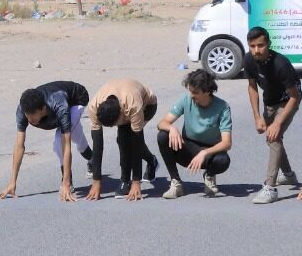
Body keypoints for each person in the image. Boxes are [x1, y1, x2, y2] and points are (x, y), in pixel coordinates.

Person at [0, 80, 93, 202]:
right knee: (76, 134)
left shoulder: (59, 104)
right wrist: (12, 182)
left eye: (33, 115)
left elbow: (66, 145)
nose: (30, 119)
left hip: (77, 100)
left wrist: (66, 182)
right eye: (27, 116)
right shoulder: (22, 109)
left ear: (42, 109)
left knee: (59, 142)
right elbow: (19, 146)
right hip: (58, 109)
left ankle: (67, 181)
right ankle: (92, 158)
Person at [243, 26, 301, 204]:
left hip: (288, 100)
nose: (256, 50)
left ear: (268, 43)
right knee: (273, 138)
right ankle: (289, 175)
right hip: (270, 102)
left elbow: (295, 96)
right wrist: (257, 117)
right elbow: (252, 87)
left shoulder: (280, 64)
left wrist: (277, 123)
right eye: (252, 46)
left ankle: (270, 188)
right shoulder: (249, 59)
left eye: (260, 45)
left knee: (273, 138)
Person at [156, 69, 232, 198]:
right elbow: (162, 123)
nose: (191, 95)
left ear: (207, 91)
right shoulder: (186, 100)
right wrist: (172, 128)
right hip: (187, 148)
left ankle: (209, 175)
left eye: (195, 92)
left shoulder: (223, 107)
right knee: (163, 135)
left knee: (223, 161)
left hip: (209, 153)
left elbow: (227, 143)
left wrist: (204, 152)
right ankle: (176, 183)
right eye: (190, 91)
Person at [86, 78, 159, 201]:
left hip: (147, 105)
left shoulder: (133, 105)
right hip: (122, 101)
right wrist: (96, 180)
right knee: (123, 139)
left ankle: (127, 180)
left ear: (120, 114)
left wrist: (137, 181)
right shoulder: (94, 106)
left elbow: (137, 142)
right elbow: (97, 146)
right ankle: (150, 161)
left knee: (128, 141)